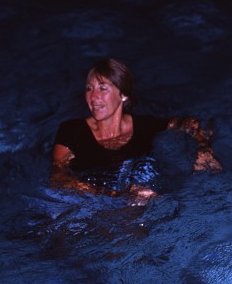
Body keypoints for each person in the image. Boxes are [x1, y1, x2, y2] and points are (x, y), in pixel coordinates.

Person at [50, 58, 222, 206]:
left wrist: (203, 150)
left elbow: (191, 123)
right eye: (89, 88)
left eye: (103, 88)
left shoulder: (144, 127)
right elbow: (58, 180)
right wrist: (119, 195)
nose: (93, 97)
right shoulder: (71, 131)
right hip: (89, 205)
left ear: (123, 95)